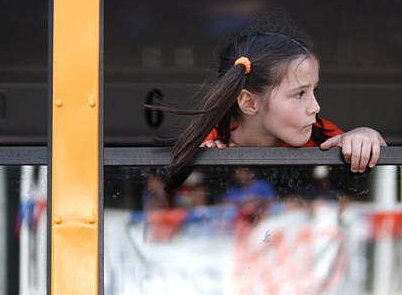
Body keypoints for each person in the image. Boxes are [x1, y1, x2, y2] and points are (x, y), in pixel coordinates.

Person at [149, 24, 386, 185]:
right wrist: (209, 167)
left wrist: (365, 135)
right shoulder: (208, 144)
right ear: (249, 102)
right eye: (299, 94)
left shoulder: (321, 134)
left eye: (314, 91)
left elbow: (379, 158)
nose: (315, 107)